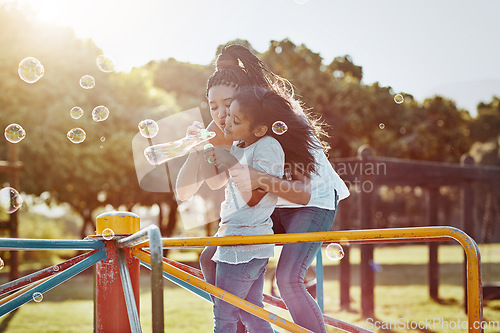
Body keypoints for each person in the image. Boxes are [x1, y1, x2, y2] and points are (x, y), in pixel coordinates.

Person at [176, 44, 349, 333]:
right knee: (210, 258)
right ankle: (240, 320)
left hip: (311, 201)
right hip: (270, 205)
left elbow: (300, 190)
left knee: (288, 279)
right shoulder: (232, 125)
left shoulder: (281, 119)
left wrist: (249, 174)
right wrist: (202, 149)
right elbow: (213, 183)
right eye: (212, 106)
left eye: (227, 104)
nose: (219, 114)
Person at [200, 85, 320, 332]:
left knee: (224, 314)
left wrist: (229, 162)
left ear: (260, 129)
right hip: (234, 234)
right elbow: (224, 184)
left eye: (235, 119)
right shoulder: (241, 144)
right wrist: (206, 154)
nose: (226, 123)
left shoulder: (267, 146)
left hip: (245, 244)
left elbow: (253, 200)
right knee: (250, 310)